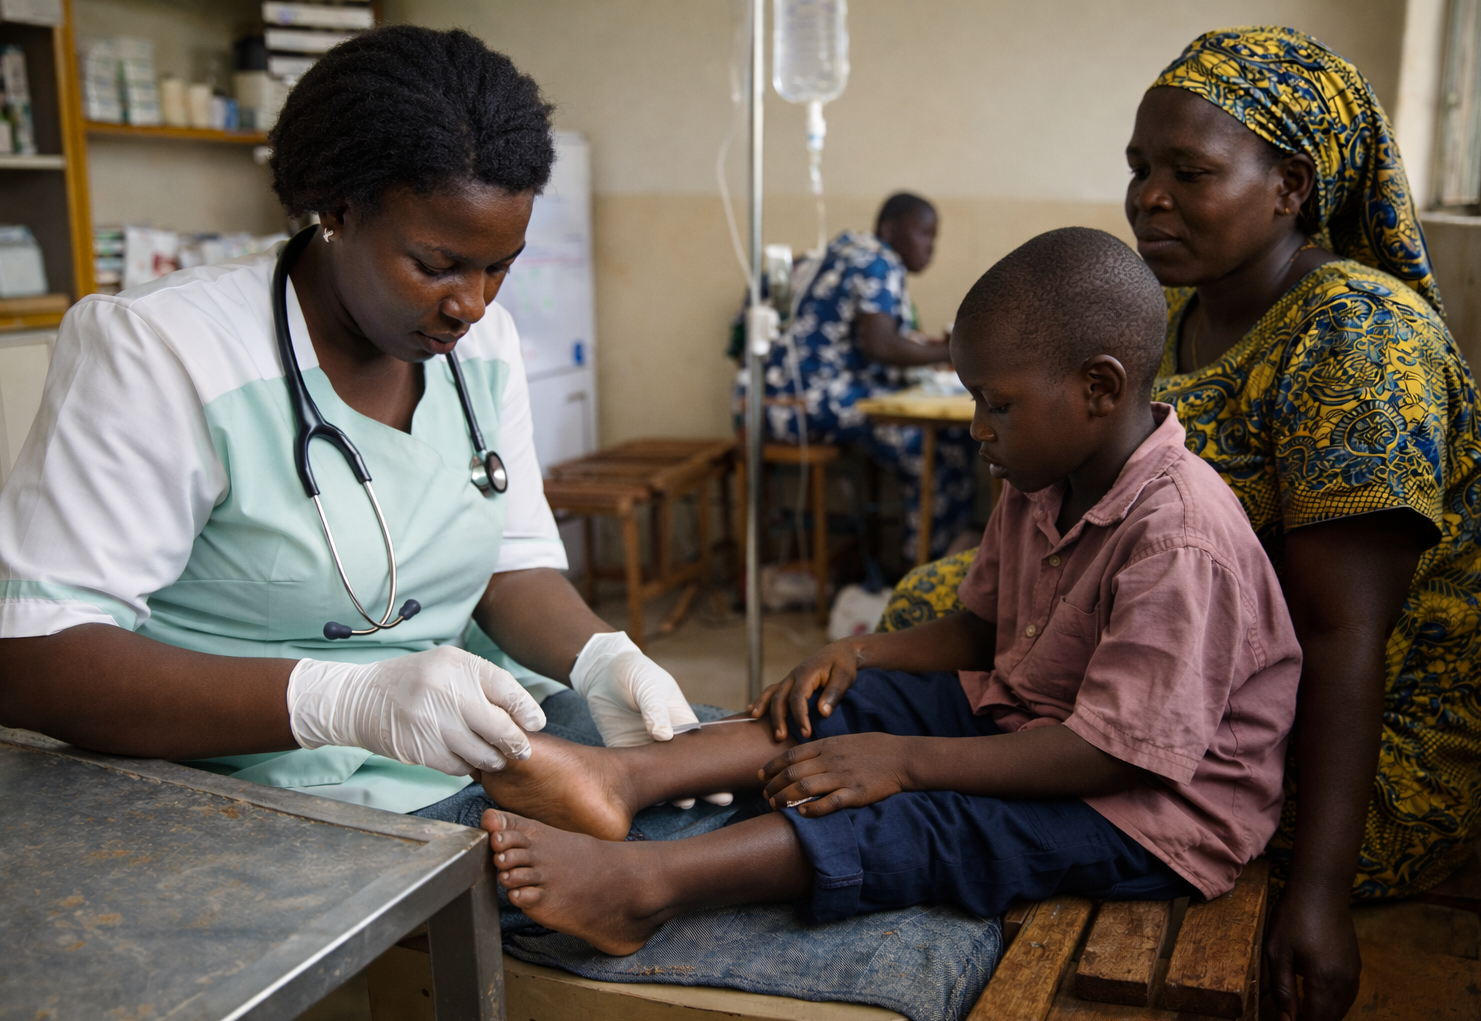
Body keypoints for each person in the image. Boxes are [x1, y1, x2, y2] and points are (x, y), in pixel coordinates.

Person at [877, 27, 1481, 1021]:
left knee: (956, 685)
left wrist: (1320, 897)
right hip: (1181, 663)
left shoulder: (1359, 339)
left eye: (1189, 171)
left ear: (1292, 185)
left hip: (1346, 755)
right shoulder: (1175, 307)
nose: (1147, 196)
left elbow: (1347, 632)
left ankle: (966, 797)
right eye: (1138, 167)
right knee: (943, 602)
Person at [466, 227, 1302, 955]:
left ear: (1100, 387)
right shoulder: (1043, 474)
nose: (977, 429)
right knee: (846, 706)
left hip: (1149, 812)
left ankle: (643, 889)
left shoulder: (1180, 540)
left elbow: (1112, 753)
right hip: (1035, 719)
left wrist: (909, 763)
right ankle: (622, 783)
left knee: (928, 818)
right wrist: (854, 653)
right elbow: (980, 632)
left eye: (995, 405)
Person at [0, 27, 712, 818]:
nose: (472, 304)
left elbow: (511, 565)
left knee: (748, 797)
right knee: (668, 882)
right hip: (251, 778)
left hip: (469, 736)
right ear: (336, 210)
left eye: (499, 265)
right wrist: (343, 701)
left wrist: (600, 658)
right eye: (436, 266)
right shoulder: (164, 348)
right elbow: (34, 666)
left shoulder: (482, 346)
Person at [754, 193, 976, 562]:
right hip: (803, 403)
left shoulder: (842, 253)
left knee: (952, 436)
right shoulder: (878, 262)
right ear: (890, 229)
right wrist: (954, 352)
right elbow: (882, 347)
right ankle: (926, 570)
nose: (930, 247)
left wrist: (926, 348)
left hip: (772, 397)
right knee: (934, 446)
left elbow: (861, 342)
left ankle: (943, 559)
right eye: (923, 234)